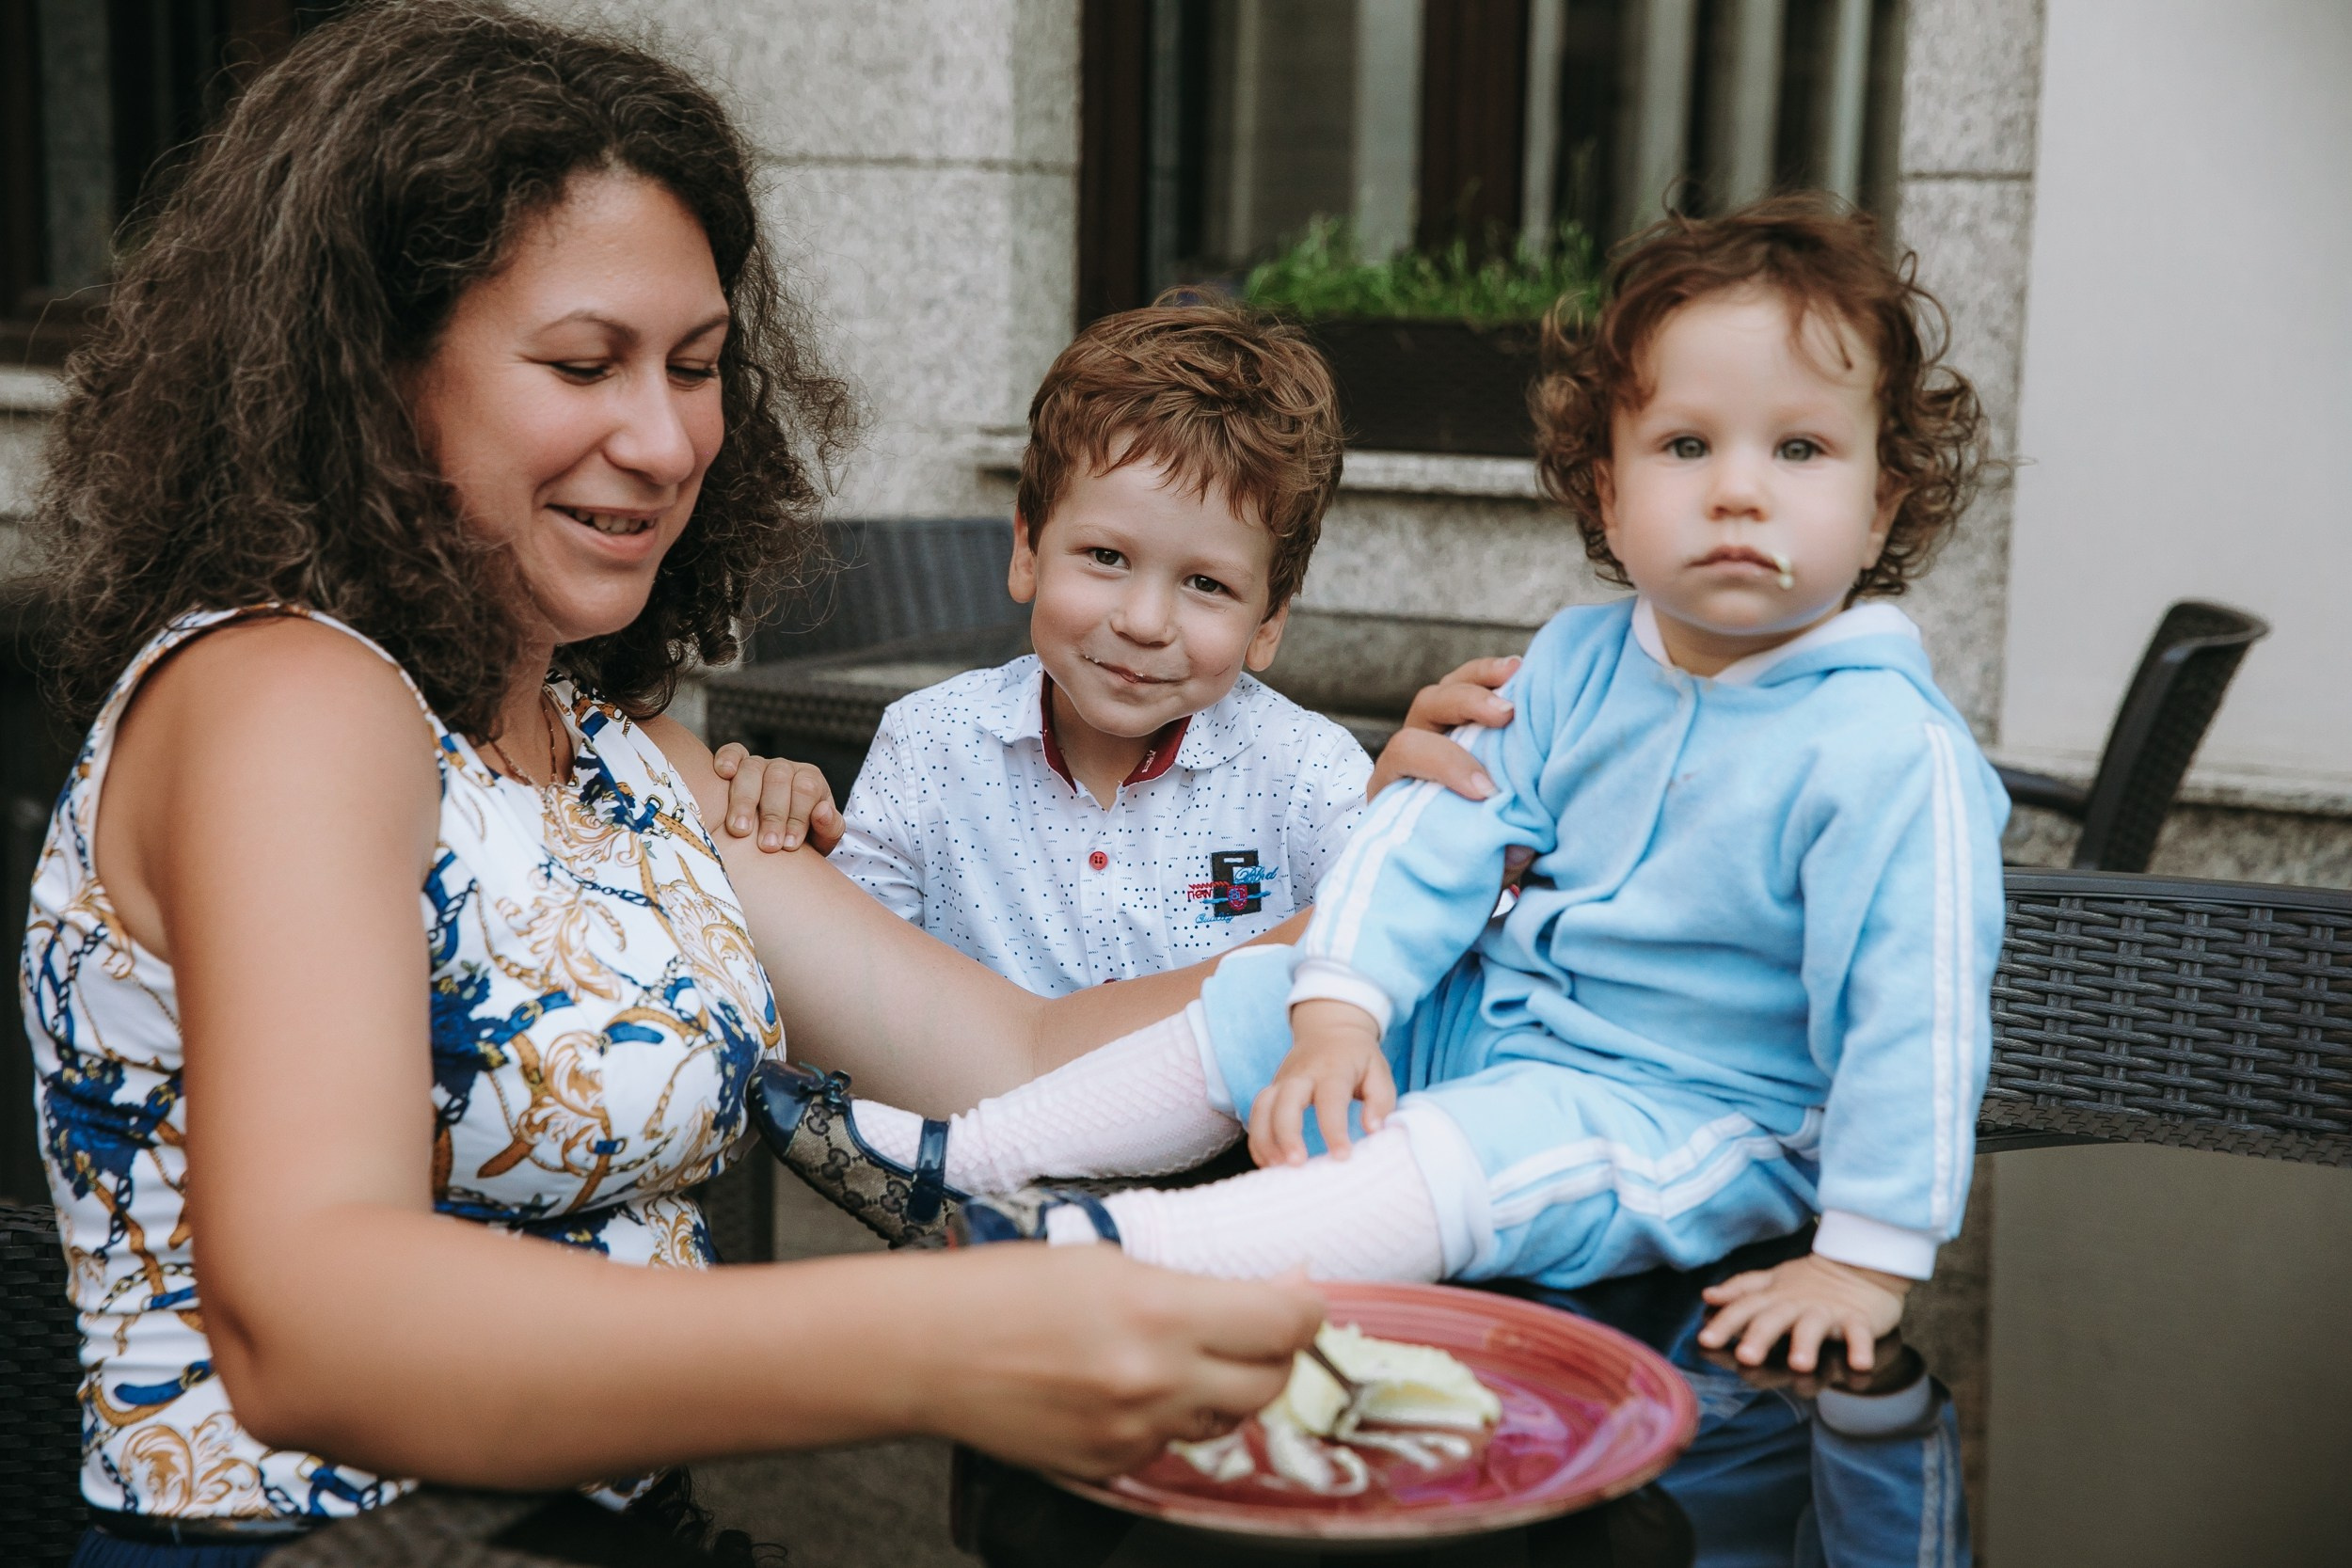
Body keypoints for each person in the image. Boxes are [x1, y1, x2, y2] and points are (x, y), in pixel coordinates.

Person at [23, 6, 1327, 1559]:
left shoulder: (626, 754)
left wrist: (1447, 882)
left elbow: (1013, 1052)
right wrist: (938, 1340)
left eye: (700, 366)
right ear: (371, 373)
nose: (664, 437)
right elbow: (314, 1317)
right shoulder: (282, 697)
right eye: (586, 363)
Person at [764, 196, 2009, 1375]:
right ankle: (969, 1155)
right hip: (1501, 1025)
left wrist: (1866, 1259)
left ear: (1880, 494)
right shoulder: (1578, 659)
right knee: (1265, 987)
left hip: (1690, 1113)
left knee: (1456, 1157)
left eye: (1800, 447)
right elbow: (1432, 833)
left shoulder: (1888, 749)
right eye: (1687, 444)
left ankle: (1114, 1252)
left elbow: (1919, 1015)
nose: (1740, 485)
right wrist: (1343, 1007)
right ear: (1611, 492)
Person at [815, 302, 1373, 997]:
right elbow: (849, 991)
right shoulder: (927, 749)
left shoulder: (1309, 777)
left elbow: (1396, 943)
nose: (1144, 621)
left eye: (1206, 583)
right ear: (1027, 550)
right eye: (1106, 555)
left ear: (1268, 622)